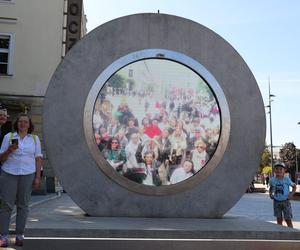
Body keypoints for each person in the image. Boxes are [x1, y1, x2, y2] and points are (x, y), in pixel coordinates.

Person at [0, 113, 43, 247]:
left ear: (29, 125)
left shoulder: (35, 139)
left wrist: (37, 177)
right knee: (6, 205)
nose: (22, 124)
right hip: (9, 173)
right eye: (20, 122)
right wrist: (9, 150)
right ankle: (3, 236)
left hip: (27, 174)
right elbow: (1, 158)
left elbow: (38, 159)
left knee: (23, 206)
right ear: (16, 124)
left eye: (25, 122)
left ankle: (19, 235)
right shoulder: (9, 137)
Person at [269, 162, 296, 228]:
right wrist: (270, 194)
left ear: (284, 170)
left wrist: (291, 194)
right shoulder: (272, 180)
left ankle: (291, 233)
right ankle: (280, 233)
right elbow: (271, 187)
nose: (278, 170)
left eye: (281, 169)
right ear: (274, 170)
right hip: (276, 201)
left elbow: (294, 186)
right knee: (279, 219)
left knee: (288, 219)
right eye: (277, 169)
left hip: (286, 201)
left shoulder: (286, 179)